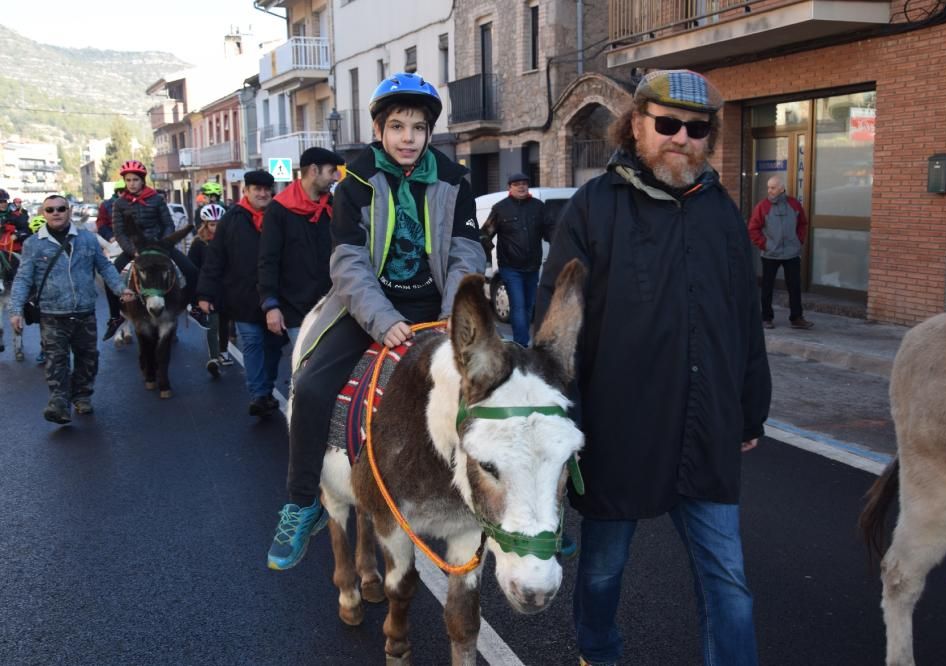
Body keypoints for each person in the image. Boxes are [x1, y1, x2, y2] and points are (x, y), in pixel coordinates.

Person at [534, 69, 772, 666]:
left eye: (696, 129)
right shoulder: (593, 207)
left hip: (705, 428)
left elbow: (746, 320)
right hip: (620, 429)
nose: (681, 138)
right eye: (666, 124)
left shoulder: (721, 213)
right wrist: (565, 423)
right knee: (603, 570)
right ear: (635, 125)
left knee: (729, 582)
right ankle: (598, 650)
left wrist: (751, 409)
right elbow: (556, 327)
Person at [264, 72, 486, 571]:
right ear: (380, 130)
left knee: (505, 382)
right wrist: (382, 319)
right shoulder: (356, 182)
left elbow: (467, 252)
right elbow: (348, 262)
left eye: (417, 128)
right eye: (397, 127)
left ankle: (528, 512)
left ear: (430, 133)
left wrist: (454, 314)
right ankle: (302, 503)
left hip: (440, 307)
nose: (408, 137)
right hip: (369, 308)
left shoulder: (454, 180)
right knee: (314, 385)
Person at [7, 194, 136, 424]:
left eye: (60, 208)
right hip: (52, 314)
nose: (55, 213)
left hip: (84, 311)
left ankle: (82, 397)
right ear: (43, 214)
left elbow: (104, 266)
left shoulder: (86, 239)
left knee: (88, 358)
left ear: (68, 211)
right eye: (50, 210)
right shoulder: (33, 244)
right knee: (56, 361)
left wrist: (120, 288)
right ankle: (59, 404)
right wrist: (15, 309)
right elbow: (23, 278)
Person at [197, 170, 282, 417]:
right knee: (253, 343)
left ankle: (266, 388)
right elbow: (215, 258)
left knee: (274, 346)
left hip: (277, 298)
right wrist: (205, 294)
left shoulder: (280, 215)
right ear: (246, 191)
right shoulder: (231, 219)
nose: (263, 194)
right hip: (242, 296)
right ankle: (259, 394)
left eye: (267, 189)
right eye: (257, 189)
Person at [103, 160, 208, 341]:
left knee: (191, 270)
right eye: (128, 180)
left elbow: (168, 224)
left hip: (160, 246)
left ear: (142, 180)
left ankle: (195, 307)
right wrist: (132, 250)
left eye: (135, 180)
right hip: (134, 249)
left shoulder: (156, 199)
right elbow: (119, 232)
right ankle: (115, 317)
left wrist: (164, 244)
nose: (131, 184)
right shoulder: (119, 204)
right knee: (110, 277)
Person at [257, 146, 345, 346]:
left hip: (332, 305)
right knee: (305, 372)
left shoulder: (333, 206)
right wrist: (271, 305)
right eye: (331, 171)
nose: (335, 177)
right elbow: (268, 260)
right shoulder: (278, 209)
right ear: (314, 170)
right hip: (295, 309)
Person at [480, 172, 555, 346]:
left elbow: (551, 231)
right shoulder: (500, 208)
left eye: (524, 183)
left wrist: (562, 246)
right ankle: (522, 344)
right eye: (516, 184)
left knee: (529, 306)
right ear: (510, 187)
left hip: (533, 266)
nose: (521, 186)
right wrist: (488, 259)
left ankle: (521, 341)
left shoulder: (538, 207)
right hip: (510, 267)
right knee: (519, 306)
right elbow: (484, 235)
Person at [748, 176, 813, 330]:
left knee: (794, 287)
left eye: (773, 187)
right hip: (771, 254)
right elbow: (753, 229)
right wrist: (765, 245)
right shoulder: (762, 206)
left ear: (782, 188)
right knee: (767, 288)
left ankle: (797, 318)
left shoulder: (794, 205)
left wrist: (798, 241)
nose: (769, 190)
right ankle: (766, 318)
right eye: (768, 187)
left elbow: (803, 224)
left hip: (791, 253)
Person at [188, 203, 232, 378]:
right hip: (209, 290)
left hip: (227, 289)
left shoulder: (229, 240)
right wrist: (197, 295)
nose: (216, 228)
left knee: (225, 322)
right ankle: (213, 358)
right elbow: (193, 268)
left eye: (219, 223)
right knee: (212, 324)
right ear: (205, 225)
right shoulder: (198, 244)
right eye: (212, 224)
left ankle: (224, 351)